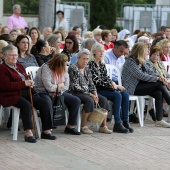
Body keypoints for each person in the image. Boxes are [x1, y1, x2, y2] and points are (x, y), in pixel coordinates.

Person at [0, 45, 56, 143]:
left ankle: (46, 131)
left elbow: (25, 79)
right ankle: (28, 132)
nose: (14, 57)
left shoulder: (19, 66)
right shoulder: (2, 68)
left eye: (16, 55)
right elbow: (6, 86)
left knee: (44, 102)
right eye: (11, 55)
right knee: (26, 105)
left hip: (23, 92)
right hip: (9, 95)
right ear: (4, 56)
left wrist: (30, 82)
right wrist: (24, 83)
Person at [122, 42, 170, 128]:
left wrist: (160, 77)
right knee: (158, 83)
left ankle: (159, 120)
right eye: (146, 51)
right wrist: (158, 79)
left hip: (141, 86)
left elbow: (150, 72)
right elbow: (141, 76)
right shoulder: (130, 62)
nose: (147, 53)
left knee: (158, 93)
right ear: (140, 52)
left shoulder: (141, 61)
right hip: (132, 88)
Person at [88, 43, 133, 133]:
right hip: (96, 90)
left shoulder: (101, 63)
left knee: (125, 94)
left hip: (105, 88)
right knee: (117, 95)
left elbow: (106, 77)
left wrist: (112, 83)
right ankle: (117, 123)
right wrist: (114, 85)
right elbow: (97, 81)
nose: (101, 53)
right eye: (99, 51)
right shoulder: (90, 64)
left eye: (103, 51)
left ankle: (125, 121)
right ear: (93, 52)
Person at [34, 53, 81, 135]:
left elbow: (66, 85)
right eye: (64, 64)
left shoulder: (64, 68)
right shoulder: (46, 68)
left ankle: (70, 126)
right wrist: (60, 85)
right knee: (47, 102)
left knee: (75, 100)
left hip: (58, 92)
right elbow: (49, 87)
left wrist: (58, 90)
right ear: (57, 64)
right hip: (42, 91)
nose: (66, 66)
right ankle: (46, 130)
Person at [68, 49, 112, 134]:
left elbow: (91, 84)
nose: (85, 61)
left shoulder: (87, 69)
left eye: (87, 59)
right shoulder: (73, 68)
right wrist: (90, 94)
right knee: (89, 100)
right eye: (83, 59)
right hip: (75, 92)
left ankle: (103, 126)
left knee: (103, 99)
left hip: (88, 92)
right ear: (78, 58)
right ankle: (83, 126)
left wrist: (95, 93)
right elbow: (75, 86)